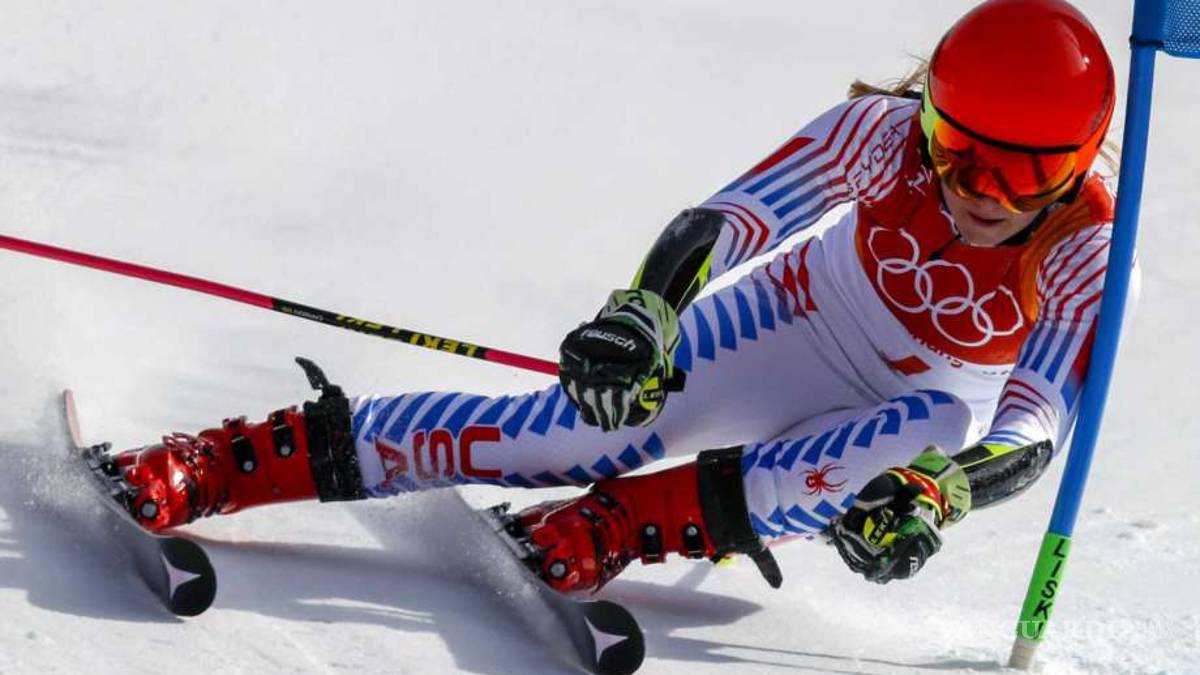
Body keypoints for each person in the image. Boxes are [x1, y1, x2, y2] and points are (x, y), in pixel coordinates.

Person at [107, 0, 1121, 592]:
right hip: (799, 319)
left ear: (1075, 164)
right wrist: (648, 313)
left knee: (935, 432)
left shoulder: (1086, 247)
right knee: (564, 435)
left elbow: (1033, 426)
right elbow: (734, 219)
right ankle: (227, 462)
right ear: (929, 114)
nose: (978, 192)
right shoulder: (882, 140)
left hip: (912, 412)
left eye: (1021, 174)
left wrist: (943, 492)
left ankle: (620, 524)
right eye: (956, 149)